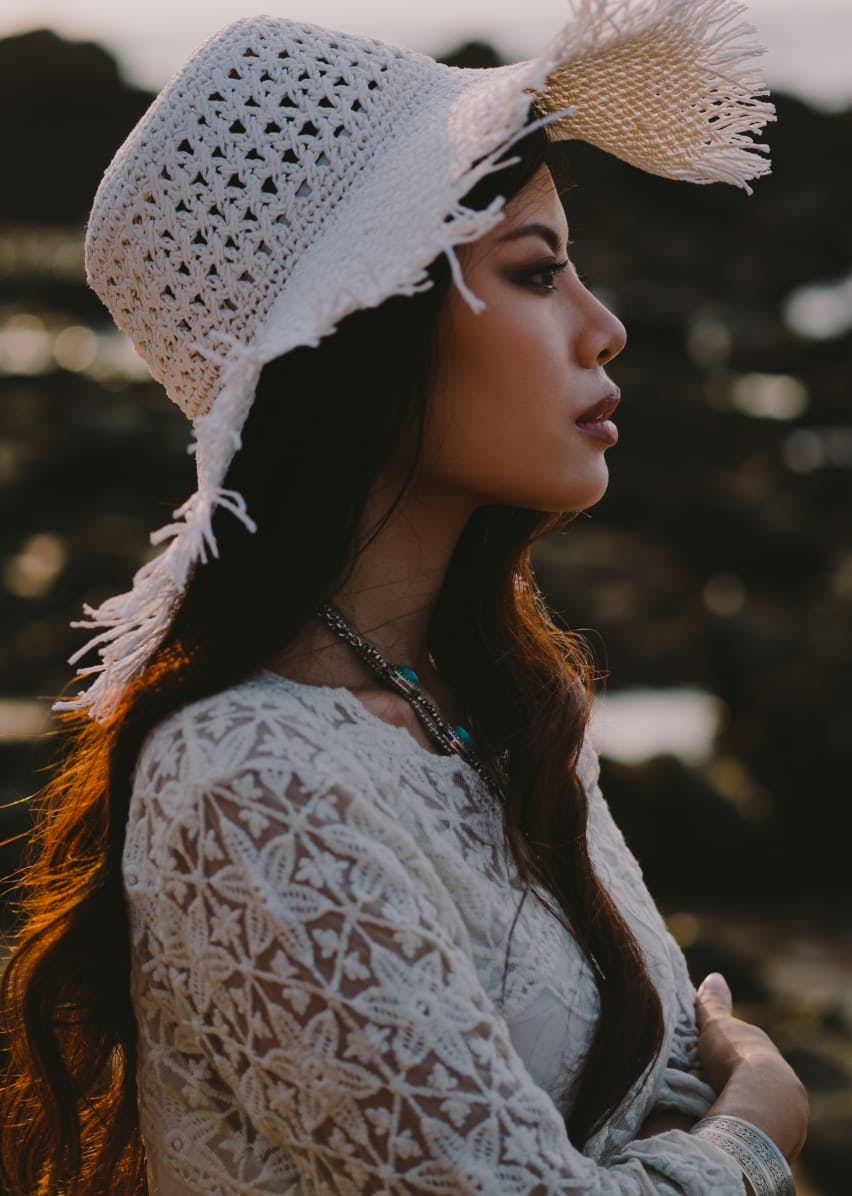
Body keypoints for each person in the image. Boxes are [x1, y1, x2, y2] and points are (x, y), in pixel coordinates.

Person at [0, 2, 807, 1194]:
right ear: (364, 329)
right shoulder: (247, 779)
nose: (609, 327)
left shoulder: (507, 706)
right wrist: (759, 1129)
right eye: (536, 272)